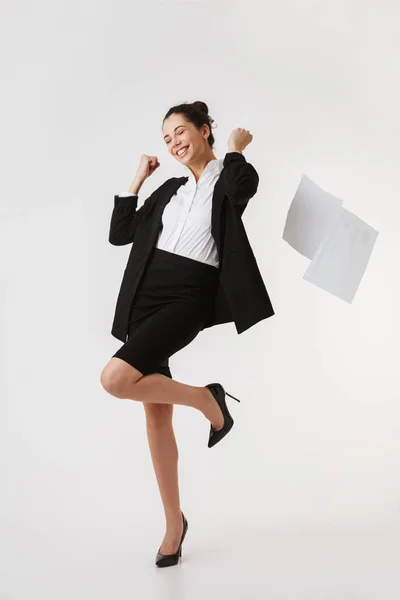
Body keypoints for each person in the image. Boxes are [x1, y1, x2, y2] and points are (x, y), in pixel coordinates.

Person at [100, 101, 274, 567]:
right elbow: (121, 233)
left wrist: (234, 150)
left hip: (186, 298)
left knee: (115, 379)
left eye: (180, 131)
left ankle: (206, 400)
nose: (174, 142)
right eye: (166, 138)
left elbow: (244, 187)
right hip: (144, 298)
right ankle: (174, 524)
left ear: (204, 129)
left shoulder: (226, 180)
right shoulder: (171, 188)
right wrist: (139, 178)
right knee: (155, 416)